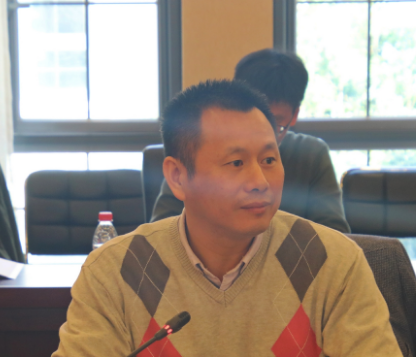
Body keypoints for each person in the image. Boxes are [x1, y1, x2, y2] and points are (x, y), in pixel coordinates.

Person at [41, 80, 414, 357]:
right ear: (178, 176)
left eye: (269, 160)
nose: (260, 182)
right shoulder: (117, 269)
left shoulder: (332, 260)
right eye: (236, 163)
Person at [150, 49, 350, 234]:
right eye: (236, 162)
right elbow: (162, 232)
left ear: (294, 115)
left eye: (275, 124)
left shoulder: (312, 154)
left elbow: (334, 236)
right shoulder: (199, 151)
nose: (259, 182)